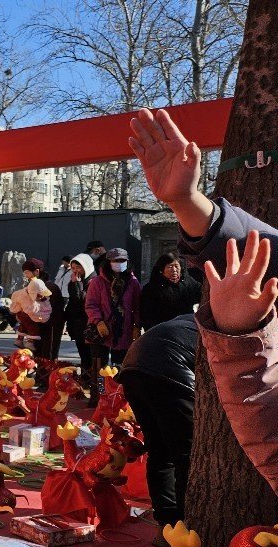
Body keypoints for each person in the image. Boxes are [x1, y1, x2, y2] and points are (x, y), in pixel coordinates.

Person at [129, 107, 278, 492]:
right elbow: (257, 248)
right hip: (158, 356)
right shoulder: (150, 287)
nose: (175, 272)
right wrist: (188, 202)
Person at [118, 314, 196, 536]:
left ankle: (167, 519)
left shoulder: (193, 320)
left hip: (133, 367)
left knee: (159, 449)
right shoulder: (232, 328)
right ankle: (183, 524)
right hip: (170, 371)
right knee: (185, 453)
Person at [85, 248, 141, 366]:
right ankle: (98, 384)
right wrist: (98, 322)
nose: (119, 263)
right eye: (115, 260)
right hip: (100, 329)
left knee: (120, 366)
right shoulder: (97, 282)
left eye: (122, 260)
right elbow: (91, 305)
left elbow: (138, 306)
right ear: (108, 262)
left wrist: (137, 325)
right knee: (99, 366)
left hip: (124, 329)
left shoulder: (133, 282)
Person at [139, 252, 201, 330]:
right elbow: (146, 314)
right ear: (161, 270)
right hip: (163, 330)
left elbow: (202, 294)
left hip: (186, 328)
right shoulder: (151, 288)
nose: (174, 270)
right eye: (170, 267)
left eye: (176, 266)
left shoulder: (188, 282)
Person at [21, 258, 66, 360]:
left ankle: (47, 375)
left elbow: (45, 307)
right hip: (39, 324)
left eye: (27, 272)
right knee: (38, 354)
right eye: (25, 273)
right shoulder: (32, 285)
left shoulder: (49, 287)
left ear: (37, 271)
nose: (26, 276)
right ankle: (41, 375)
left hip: (50, 326)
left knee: (48, 355)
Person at [65, 253, 96, 387]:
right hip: (78, 325)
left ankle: (92, 383)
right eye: (73, 268)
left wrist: (76, 285)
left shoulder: (93, 282)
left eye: (79, 267)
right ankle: (85, 381)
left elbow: (82, 302)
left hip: (90, 325)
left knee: (92, 356)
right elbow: (72, 304)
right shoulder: (77, 282)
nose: (76, 270)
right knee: (83, 355)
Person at [9, 277, 51, 350]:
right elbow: (33, 312)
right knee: (33, 328)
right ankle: (30, 342)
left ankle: (19, 339)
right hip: (27, 316)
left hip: (21, 314)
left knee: (24, 326)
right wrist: (41, 317)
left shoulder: (22, 294)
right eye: (38, 296)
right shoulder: (28, 300)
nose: (41, 297)